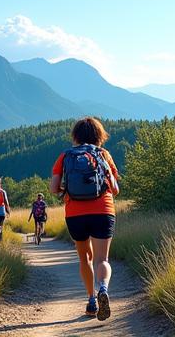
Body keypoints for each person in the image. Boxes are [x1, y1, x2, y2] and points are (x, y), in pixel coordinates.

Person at [49, 117, 120, 321]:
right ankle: (103, 289)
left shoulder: (65, 156)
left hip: (75, 214)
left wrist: (69, 189)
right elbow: (115, 189)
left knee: (85, 258)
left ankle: (91, 299)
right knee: (102, 259)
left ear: (76, 135)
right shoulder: (104, 155)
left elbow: (54, 189)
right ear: (99, 135)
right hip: (103, 211)